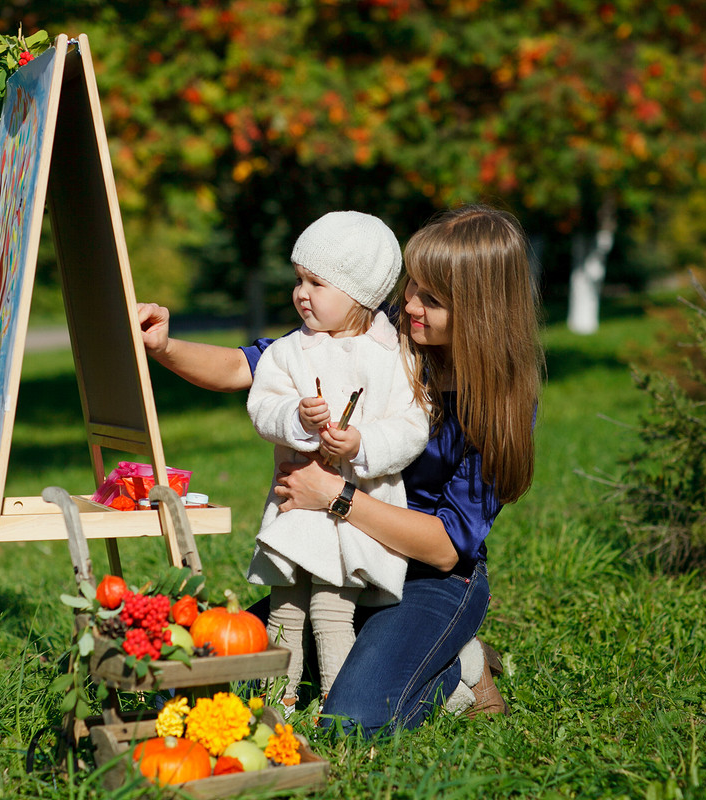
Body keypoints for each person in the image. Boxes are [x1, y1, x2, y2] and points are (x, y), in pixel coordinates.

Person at [137, 203, 543, 734]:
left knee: (352, 720)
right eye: (411, 286)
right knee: (192, 681)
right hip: (335, 560)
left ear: (481, 311)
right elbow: (246, 365)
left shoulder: (499, 403)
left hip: (431, 578)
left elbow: (447, 546)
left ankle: (460, 669)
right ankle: (389, 651)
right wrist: (163, 346)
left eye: (432, 299)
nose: (410, 306)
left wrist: (335, 495)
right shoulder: (380, 329)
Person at [245, 211, 429, 712]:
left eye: (317, 282)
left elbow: (412, 425)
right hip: (298, 508)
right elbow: (262, 407)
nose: (301, 292)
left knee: (332, 607)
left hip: (355, 513)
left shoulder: (392, 357)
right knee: (285, 602)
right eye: (298, 279)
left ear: (358, 294)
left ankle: (335, 695)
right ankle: (275, 699)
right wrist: (297, 418)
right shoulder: (288, 353)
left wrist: (363, 444)